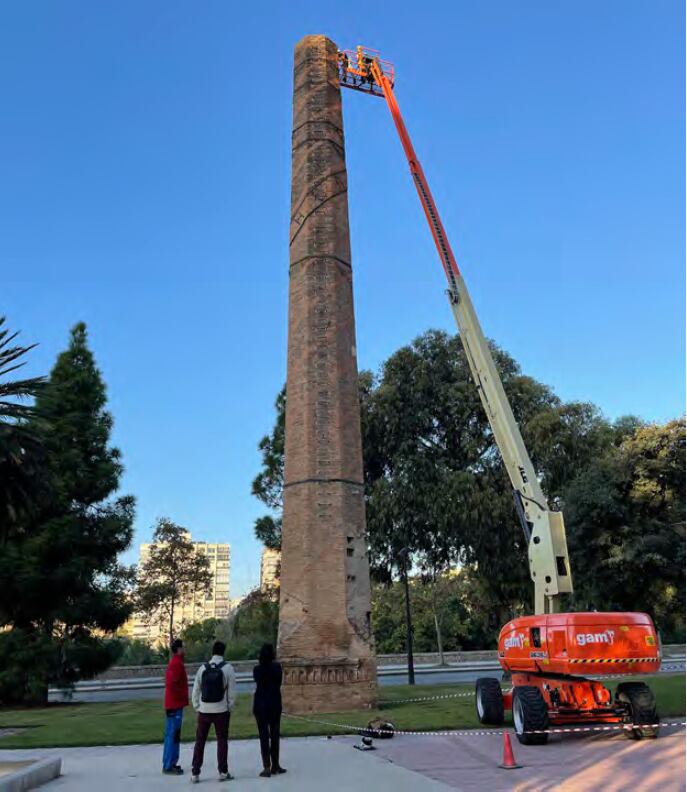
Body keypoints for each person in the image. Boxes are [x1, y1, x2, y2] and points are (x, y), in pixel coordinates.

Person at [190, 641, 236, 784]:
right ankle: (223, 771)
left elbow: (196, 690)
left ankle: (195, 773)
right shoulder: (228, 668)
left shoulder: (202, 668)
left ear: (212, 652)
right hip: (221, 710)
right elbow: (232, 692)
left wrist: (198, 706)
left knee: (200, 741)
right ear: (223, 652)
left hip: (204, 710)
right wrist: (229, 707)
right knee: (222, 740)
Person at [253, 643, 286, 778]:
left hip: (260, 704)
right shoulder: (277, 668)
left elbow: (258, 682)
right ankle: (275, 765)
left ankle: (266, 766)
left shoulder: (257, 669)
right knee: (275, 734)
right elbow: (279, 683)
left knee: (263, 736)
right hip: (274, 703)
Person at [162, 638, 188, 776]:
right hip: (174, 705)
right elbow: (172, 685)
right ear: (178, 649)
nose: (185, 650)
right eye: (183, 647)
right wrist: (181, 697)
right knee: (172, 734)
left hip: (176, 704)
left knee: (175, 735)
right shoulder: (176, 664)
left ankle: (172, 762)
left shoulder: (177, 663)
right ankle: (167, 765)